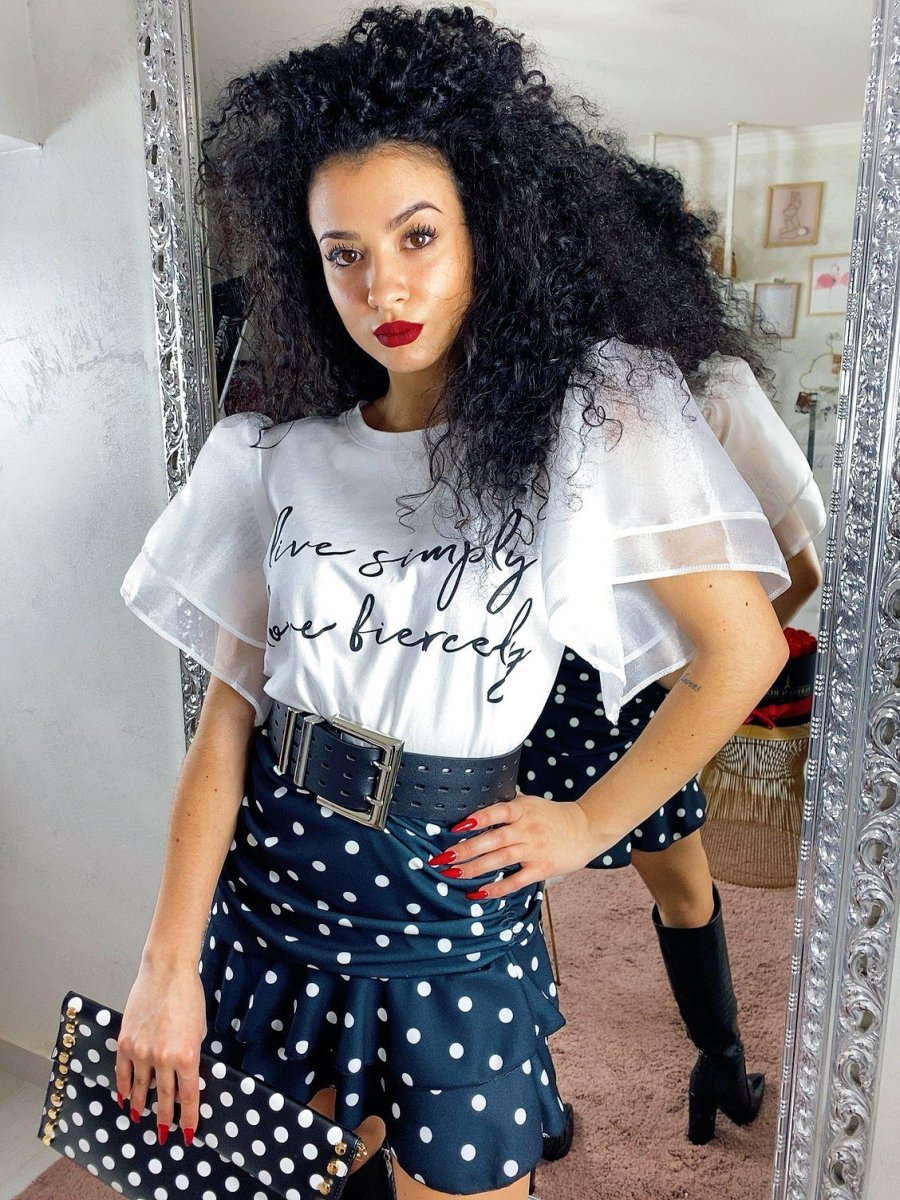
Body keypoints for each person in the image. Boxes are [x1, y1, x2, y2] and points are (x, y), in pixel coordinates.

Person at [113, 7, 791, 1198]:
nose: (383, 283)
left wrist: (588, 822)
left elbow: (742, 649)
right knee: (282, 1175)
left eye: (418, 235)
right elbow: (225, 724)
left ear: (492, 229)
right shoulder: (277, 457)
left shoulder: (594, 424)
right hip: (279, 881)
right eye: (344, 252)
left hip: (454, 895)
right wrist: (165, 964)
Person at [528, 354, 826, 1157]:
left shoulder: (699, 385)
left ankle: (540, 1097)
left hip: (568, 687)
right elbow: (802, 567)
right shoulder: (521, 380)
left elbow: (800, 572)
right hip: (562, 687)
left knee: (515, 891)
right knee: (673, 891)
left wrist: (697, 668)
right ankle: (718, 1070)